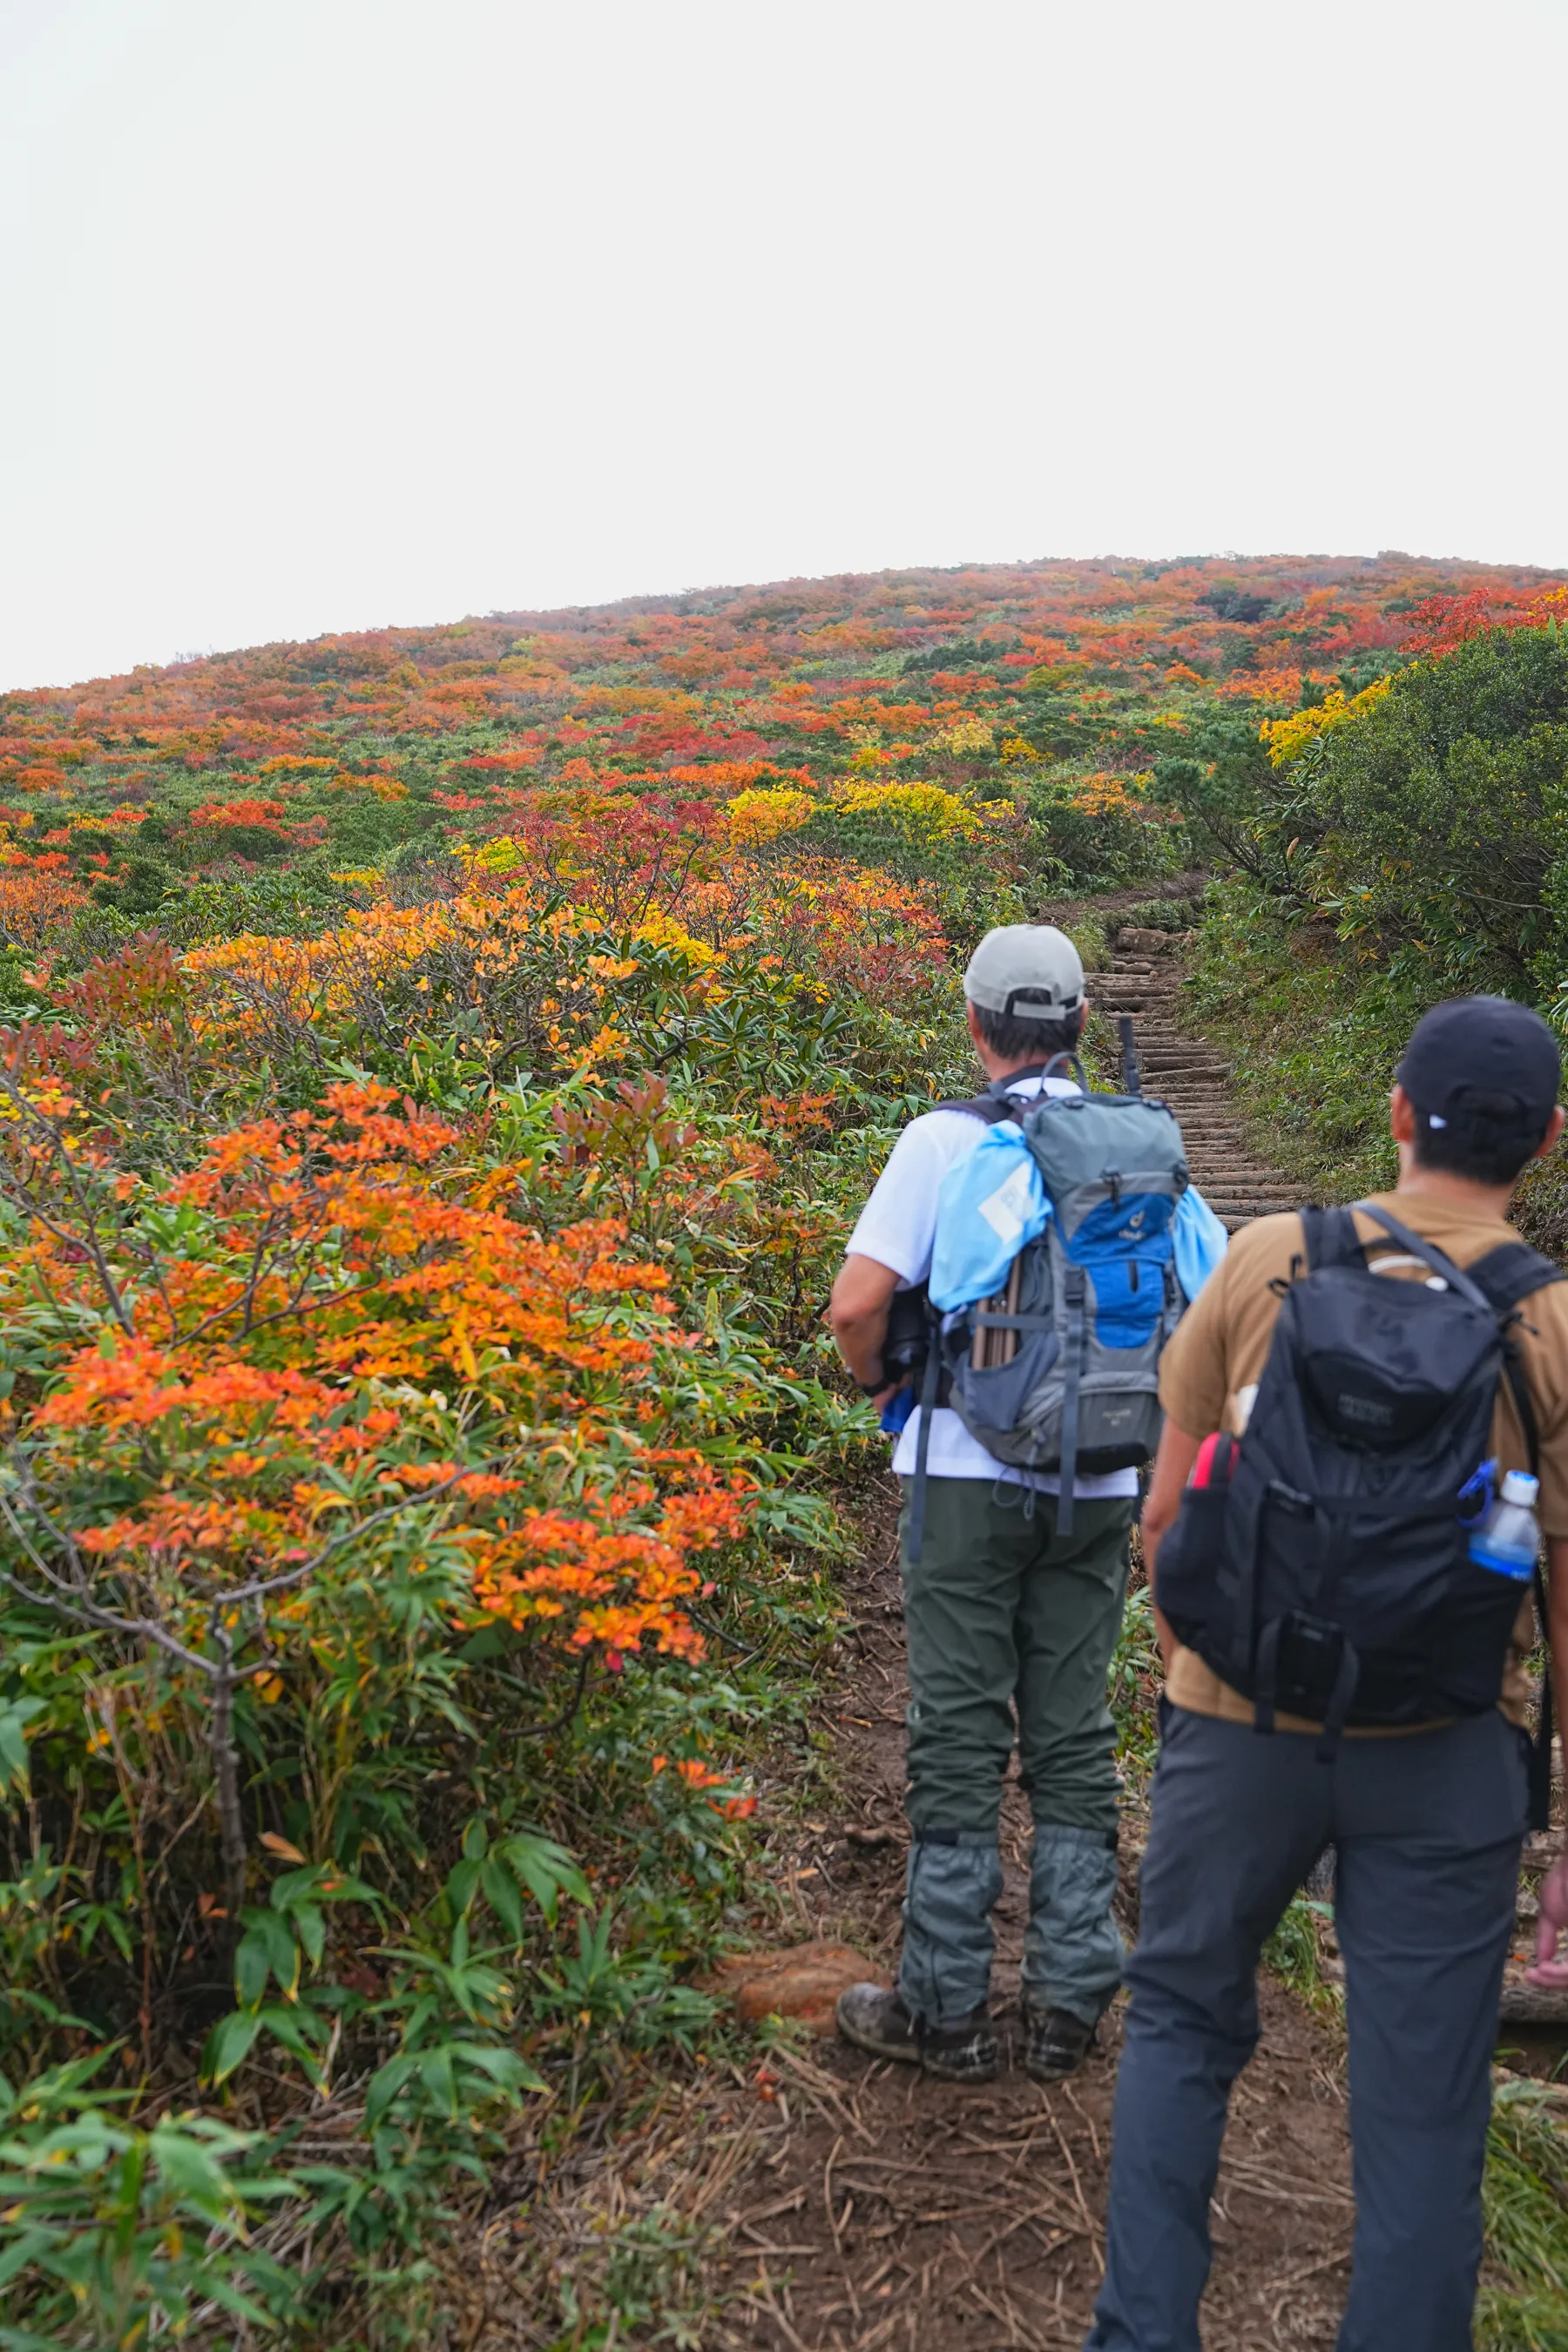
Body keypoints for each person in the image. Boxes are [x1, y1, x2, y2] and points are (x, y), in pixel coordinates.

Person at [1085, 994, 1568, 2352]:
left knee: (1179, 2024)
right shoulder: (1553, 1327)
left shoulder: (1263, 1261)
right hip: (1451, 1743)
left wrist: (1201, 1681)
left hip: (1237, 1727)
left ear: (1398, 1114)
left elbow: (1168, 1522)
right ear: (1544, 1140)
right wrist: (1560, 1835)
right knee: (1424, 2109)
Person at [827, 923, 1216, 2085]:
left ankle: (942, 2008)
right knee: (1073, 1729)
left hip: (963, 1475)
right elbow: (1212, 1293)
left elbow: (857, 1307)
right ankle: (1066, 2005)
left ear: (976, 1022)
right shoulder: (1142, 1144)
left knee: (956, 1729)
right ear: (1084, 1027)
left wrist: (888, 1381)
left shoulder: (942, 1143)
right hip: (1101, 1476)